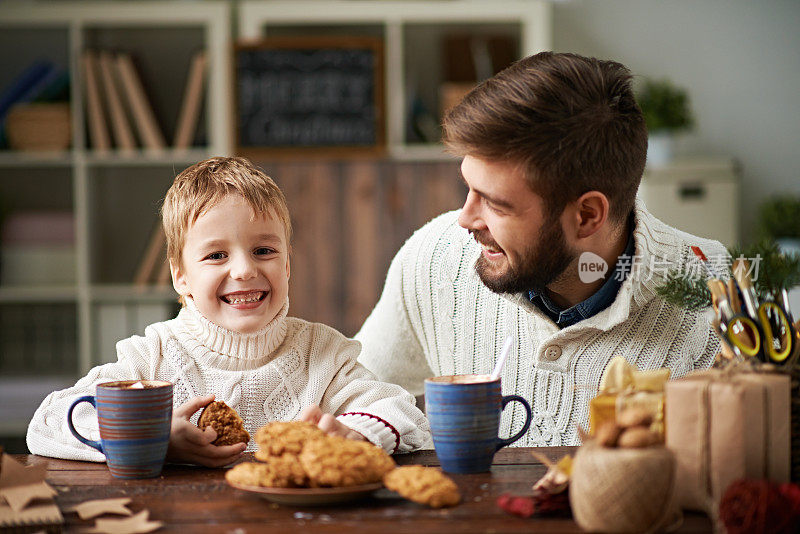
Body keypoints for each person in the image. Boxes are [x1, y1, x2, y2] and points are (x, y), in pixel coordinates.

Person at [356, 52, 725, 447]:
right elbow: (362, 391)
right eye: (468, 187)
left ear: (586, 215)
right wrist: (359, 426)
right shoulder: (434, 258)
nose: (465, 219)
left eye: (496, 203)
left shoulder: (719, 303)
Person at [27, 157, 430, 466]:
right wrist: (151, 439)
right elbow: (49, 421)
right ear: (181, 276)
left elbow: (401, 413)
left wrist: (352, 434)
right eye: (216, 255)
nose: (244, 270)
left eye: (264, 251)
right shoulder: (151, 357)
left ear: (287, 265)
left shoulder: (323, 354)